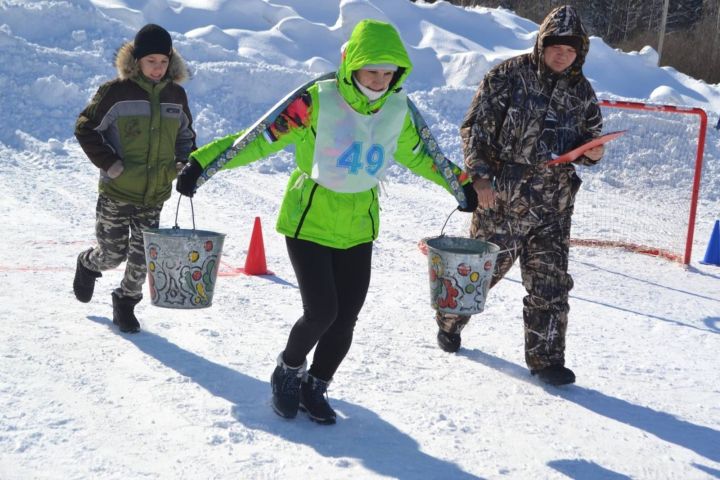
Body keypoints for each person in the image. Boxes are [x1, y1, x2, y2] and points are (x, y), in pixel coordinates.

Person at [176, 19, 476, 424]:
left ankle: (316, 385)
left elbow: (425, 156)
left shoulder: (398, 112)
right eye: (372, 70)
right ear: (351, 64)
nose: (380, 80)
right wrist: (202, 165)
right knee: (322, 312)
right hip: (308, 223)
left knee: (346, 317)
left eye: (389, 73)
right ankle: (288, 370)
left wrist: (461, 186)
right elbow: (259, 138)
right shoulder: (317, 101)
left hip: (359, 227)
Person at [435, 5, 604, 386]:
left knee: (550, 284)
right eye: (557, 46)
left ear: (581, 52)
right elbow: (475, 131)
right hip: (502, 202)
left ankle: (546, 360)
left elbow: (592, 139)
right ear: (542, 43)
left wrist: (594, 153)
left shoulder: (582, 91)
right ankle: (449, 321)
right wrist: (479, 179)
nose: (563, 54)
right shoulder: (507, 77)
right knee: (477, 276)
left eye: (572, 49)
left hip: (554, 208)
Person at [73, 24, 196, 333]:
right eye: (150, 61)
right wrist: (109, 163)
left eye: (163, 61)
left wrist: (184, 163)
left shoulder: (176, 95)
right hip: (117, 191)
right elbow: (86, 127)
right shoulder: (117, 91)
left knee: (142, 259)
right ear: (137, 60)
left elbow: (185, 137)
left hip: (153, 194)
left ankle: (125, 302)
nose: (157, 68)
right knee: (113, 255)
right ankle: (88, 263)